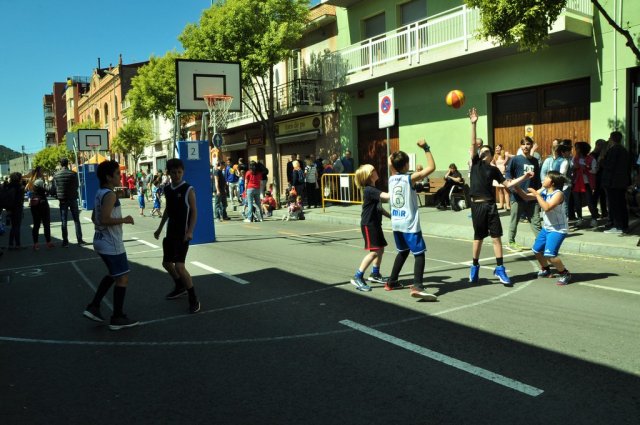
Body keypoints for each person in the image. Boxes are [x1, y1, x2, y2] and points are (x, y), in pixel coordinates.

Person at [468, 107, 534, 286]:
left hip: (490, 206)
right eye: (481, 150)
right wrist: (474, 124)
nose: (482, 152)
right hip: (477, 205)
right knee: (478, 237)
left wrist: (524, 177)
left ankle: (500, 268)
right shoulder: (475, 164)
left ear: (491, 155)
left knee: (496, 238)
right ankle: (475, 265)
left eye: (485, 151)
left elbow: (508, 184)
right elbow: (473, 144)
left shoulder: (494, 170)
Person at [82, 160, 139, 330]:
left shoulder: (100, 193)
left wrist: (102, 227)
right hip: (111, 243)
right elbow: (105, 219)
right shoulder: (110, 195)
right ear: (108, 177)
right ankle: (117, 317)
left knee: (114, 275)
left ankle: (94, 306)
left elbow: (95, 218)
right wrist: (124, 219)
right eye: (117, 174)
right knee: (122, 278)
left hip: (100, 240)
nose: (120, 177)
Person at [386, 139, 438, 300]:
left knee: (403, 251)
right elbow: (431, 168)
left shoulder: (391, 178)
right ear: (406, 165)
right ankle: (417, 286)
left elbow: (390, 161)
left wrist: (394, 156)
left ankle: (392, 281)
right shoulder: (409, 178)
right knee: (419, 253)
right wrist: (426, 147)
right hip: (409, 223)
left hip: (396, 222)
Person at [153, 158, 200, 313]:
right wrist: (159, 228)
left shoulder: (188, 189)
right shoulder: (167, 189)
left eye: (179, 172)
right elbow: (168, 210)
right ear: (169, 173)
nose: (177, 175)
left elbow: (194, 211)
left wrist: (190, 231)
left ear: (183, 172)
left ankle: (193, 298)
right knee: (167, 263)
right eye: (174, 172)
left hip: (183, 234)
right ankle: (180, 286)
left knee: (179, 266)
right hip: (170, 232)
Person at [515, 171, 572, 285]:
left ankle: (565, 273)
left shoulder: (558, 194)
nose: (544, 179)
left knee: (550, 255)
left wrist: (537, 195)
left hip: (558, 229)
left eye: (547, 177)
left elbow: (547, 207)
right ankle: (546, 269)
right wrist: (516, 186)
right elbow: (526, 197)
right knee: (536, 250)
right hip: (547, 228)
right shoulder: (544, 190)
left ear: (552, 182)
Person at [350, 164, 390, 292]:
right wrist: (401, 187)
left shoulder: (372, 189)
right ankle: (358, 276)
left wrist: (390, 216)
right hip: (369, 224)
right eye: (373, 170)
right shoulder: (369, 190)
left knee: (380, 249)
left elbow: (379, 208)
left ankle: (375, 274)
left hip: (375, 223)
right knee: (374, 252)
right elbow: (388, 196)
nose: (376, 171)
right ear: (369, 175)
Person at [506, 136, 542, 251]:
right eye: (523, 144)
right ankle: (511, 242)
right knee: (514, 221)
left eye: (528, 144)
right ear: (520, 146)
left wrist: (538, 195)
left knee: (536, 221)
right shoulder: (515, 159)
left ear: (532, 145)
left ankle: (541, 243)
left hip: (531, 197)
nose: (525, 146)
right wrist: (513, 189)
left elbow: (537, 180)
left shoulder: (535, 161)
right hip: (517, 196)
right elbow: (508, 177)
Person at [601, 131, 631, 234]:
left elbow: (609, 166)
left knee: (615, 205)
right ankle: (624, 226)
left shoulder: (614, 150)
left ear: (612, 139)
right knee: (621, 204)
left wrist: (602, 160)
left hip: (613, 182)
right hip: (621, 182)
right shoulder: (624, 150)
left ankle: (618, 227)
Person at [53, 158, 85, 247]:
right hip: (73, 198)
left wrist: (58, 195)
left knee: (64, 221)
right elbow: (77, 185)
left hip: (63, 199)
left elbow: (54, 188)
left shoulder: (56, 175)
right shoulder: (73, 174)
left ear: (60, 164)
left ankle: (65, 241)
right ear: (67, 164)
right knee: (76, 220)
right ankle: (80, 240)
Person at [26, 166, 54, 250]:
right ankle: (48, 242)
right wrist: (50, 181)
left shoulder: (31, 181)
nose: (43, 173)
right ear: (39, 172)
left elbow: (27, 189)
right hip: (42, 203)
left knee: (36, 224)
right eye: (42, 171)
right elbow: (49, 189)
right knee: (46, 224)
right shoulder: (39, 181)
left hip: (34, 204)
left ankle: (36, 244)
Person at [571, 141, 598, 227]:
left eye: (577, 148)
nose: (575, 150)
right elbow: (571, 169)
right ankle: (579, 219)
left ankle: (594, 219)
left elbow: (594, 171)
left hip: (586, 183)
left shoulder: (591, 159)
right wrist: (574, 168)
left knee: (590, 202)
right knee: (577, 202)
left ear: (582, 149)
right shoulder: (574, 158)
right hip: (576, 183)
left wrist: (586, 168)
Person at [491, 144, 512, 211]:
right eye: (496, 148)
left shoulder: (505, 155)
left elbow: (512, 158)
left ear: (501, 148)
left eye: (498, 148)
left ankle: (508, 206)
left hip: (504, 174)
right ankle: (501, 205)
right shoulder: (495, 156)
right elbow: (491, 163)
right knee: (500, 191)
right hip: (497, 174)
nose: (496, 149)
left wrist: (507, 156)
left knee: (506, 191)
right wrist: (495, 167)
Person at [6, 172, 25, 250]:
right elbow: (21, 199)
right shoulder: (20, 187)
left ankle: (11, 244)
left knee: (13, 226)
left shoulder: (8, 186)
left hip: (10, 208)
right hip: (17, 208)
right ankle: (17, 244)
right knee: (17, 226)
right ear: (19, 178)